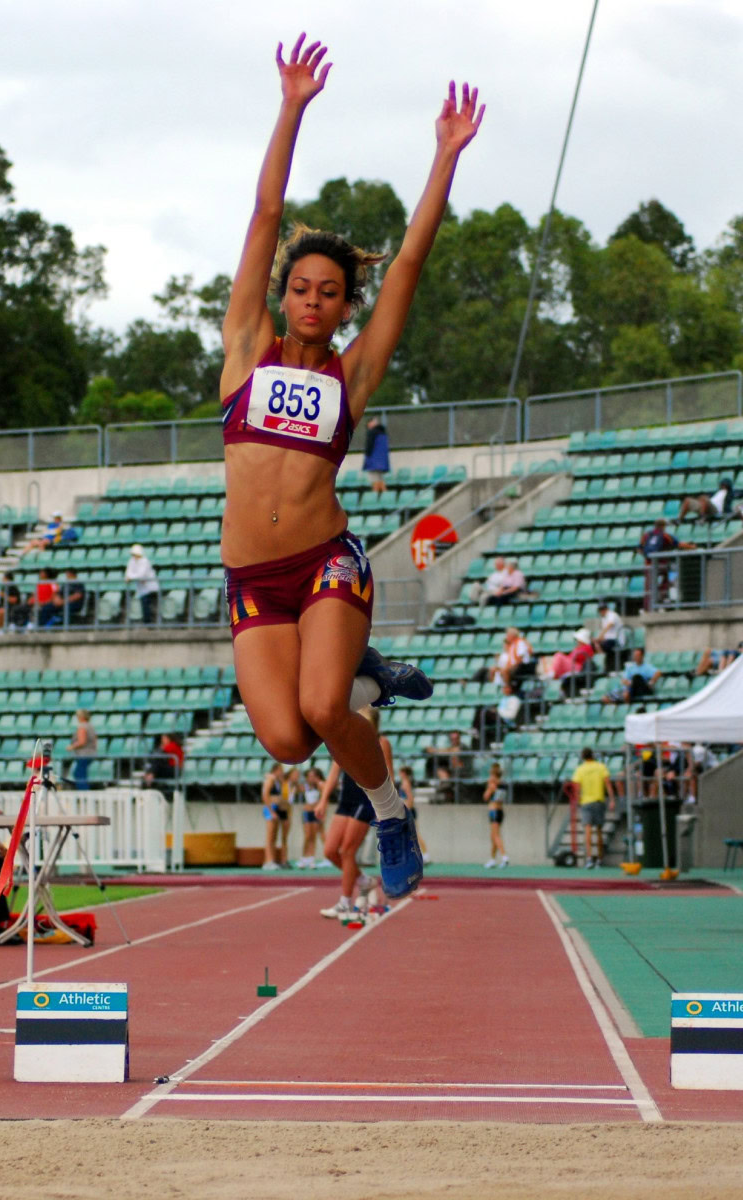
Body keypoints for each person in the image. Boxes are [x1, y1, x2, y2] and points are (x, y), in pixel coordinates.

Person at [219, 33, 483, 899]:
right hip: (254, 580)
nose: (312, 300)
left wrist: (443, 156)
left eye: (329, 292)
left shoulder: (352, 374)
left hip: (324, 560)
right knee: (288, 741)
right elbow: (264, 215)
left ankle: (391, 814)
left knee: (326, 709)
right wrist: (291, 107)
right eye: (301, 287)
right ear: (282, 292)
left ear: (342, 306)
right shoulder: (245, 350)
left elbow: (408, 262)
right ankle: (369, 676)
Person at [315, 708, 390, 919]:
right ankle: (365, 881)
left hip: (365, 799)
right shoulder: (344, 740)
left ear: (373, 725)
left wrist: (385, 806)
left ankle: (345, 903)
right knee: (330, 851)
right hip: (346, 799)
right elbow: (333, 774)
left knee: (348, 851)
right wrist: (323, 800)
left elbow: (388, 775)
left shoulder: (381, 743)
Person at [571, 747, 615, 868]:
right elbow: (608, 783)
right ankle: (599, 859)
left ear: (583, 757)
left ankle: (589, 858)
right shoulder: (601, 767)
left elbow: (576, 787)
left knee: (588, 831)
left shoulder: (580, 769)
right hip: (599, 801)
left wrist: (577, 800)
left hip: (586, 802)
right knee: (599, 831)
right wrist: (612, 799)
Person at [398, 765, 429, 863]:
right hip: (406, 810)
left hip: (409, 811)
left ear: (404, 773)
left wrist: (406, 810)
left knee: (414, 834)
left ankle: (425, 855)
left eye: (400, 772)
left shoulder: (406, 783)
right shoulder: (405, 782)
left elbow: (410, 799)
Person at [296, 764, 325, 868]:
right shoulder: (304, 786)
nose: (311, 778)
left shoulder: (319, 786)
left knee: (314, 836)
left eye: (313, 776)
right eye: (309, 776)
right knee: (307, 836)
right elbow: (294, 786)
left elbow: (324, 796)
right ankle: (304, 857)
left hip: (316, 813)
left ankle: (312, 858)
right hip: (307, 813)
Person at [261, 762, 287, 870]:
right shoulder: (270, 779)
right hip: (271, 808)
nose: (282, 772)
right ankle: (268, 861)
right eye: (280, 770)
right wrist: (271, 811)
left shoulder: (277, 781)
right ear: (276, 770)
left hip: (276, 808)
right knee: (270, 836)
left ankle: (272, 859)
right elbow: (265, 795)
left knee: (274, 836)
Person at [483, 761, 509, 869]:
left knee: (496, 835)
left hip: (493, 811)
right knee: (493, 835)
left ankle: (504, 857)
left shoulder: (493, 785)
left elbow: (485, 797)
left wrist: (488, 788)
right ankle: (492, 859)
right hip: (500, 811)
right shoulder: (502, 785)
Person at [125, 544, 160, 624]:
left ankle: (148, 624)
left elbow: (141, 575)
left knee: (147, 605)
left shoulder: (145, 561)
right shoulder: (131, 561)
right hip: (142, 589)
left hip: (150, 588)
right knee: (144, 605)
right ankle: (147, 623)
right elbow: (128, 573)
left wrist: (131, 577)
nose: (134, 556)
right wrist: (133, 576)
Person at [67, 709, 97, 790]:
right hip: (91, 753)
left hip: (83, 754)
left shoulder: (82, 726)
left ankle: (83, 791)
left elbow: (82, 741)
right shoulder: (90, 726)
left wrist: (71, 747)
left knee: (79, 774)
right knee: (82, 773)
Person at [362, 415, 390, 493]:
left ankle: (376, 494)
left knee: (374, 479)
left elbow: (369, 446)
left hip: (373, 461)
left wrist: (367, 457)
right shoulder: (383, 432)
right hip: (382, 461)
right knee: (380, 478)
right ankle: (384, 494)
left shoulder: (371, 432)